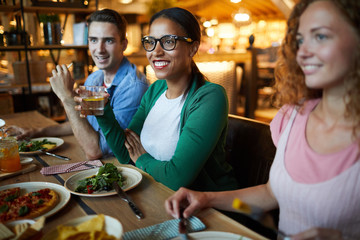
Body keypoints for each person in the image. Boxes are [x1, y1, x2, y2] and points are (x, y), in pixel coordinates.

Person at [165, 0, 360, 239]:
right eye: (300, 40)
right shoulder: (291, 118)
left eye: (320, 36)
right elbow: (272, 194)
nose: (304, 52)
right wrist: (207, 197)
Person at [77, 7, 238, 191]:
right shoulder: (156, 89)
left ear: (192, 48)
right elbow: (125, 154)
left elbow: (177, 178)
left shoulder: (210, 97)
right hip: (156, 194)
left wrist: (142, 159)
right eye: (151, 42)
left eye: (168, 41)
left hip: (209, 208)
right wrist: (103, 111)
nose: (156, 51)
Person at [5, 9, 149, 160]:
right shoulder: (95, 79)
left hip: (120, 168)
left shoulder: (133, 87)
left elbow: (96, 150)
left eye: (108, 40)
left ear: (124, 44)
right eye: (93, 40)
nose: (99, 49)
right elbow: (84, 124)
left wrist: (66, 96)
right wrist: (35, 132)